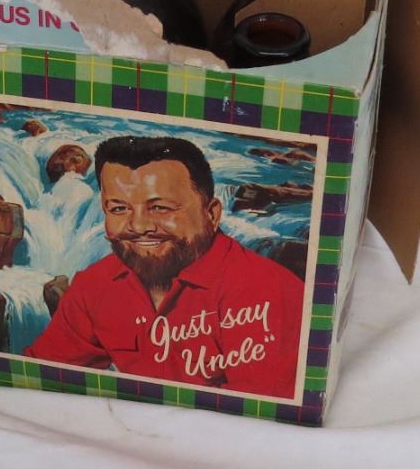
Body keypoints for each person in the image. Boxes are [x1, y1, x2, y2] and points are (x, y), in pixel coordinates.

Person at [23, 135, 305, 399]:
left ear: (212, 214)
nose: (138, 226)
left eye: (160, 208)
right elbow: (38, 380)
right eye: (119, 209)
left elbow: (259, 421)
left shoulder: (269, 294)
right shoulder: (96, 285)